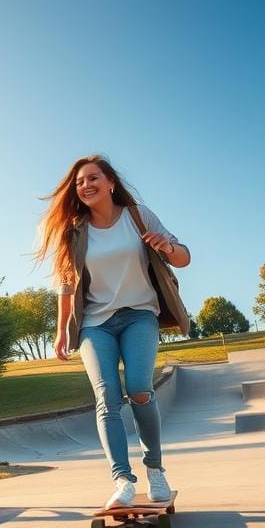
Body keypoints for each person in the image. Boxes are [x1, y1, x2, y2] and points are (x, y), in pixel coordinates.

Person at [36, 154, 191, 509]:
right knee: (107, 399)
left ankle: (155, 469)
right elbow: (66, 284)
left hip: (139, 315)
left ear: (110, 183)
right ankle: (122, 479)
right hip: (95, 324)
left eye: (92, 178)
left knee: (139, 389)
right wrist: (61, 331)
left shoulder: (138, 216)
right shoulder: (75, 230)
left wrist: (166, 247)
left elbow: (183, 257)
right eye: (79, 182)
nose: (85, 186)